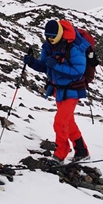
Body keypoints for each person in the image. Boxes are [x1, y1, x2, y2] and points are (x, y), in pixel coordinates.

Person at [23, 19, 90, 163]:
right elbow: (46, 66)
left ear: (60, 33)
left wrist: (56, 66)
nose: (50, 39)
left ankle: (60, 155)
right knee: (68, 122)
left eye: (53, 36)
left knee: (59, 122)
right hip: (58, 91)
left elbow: (78, 72)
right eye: (47, 36)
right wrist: (32, 62)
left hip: (72, 91)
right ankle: (82, 151)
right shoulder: (47, 47)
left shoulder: (73, 48)